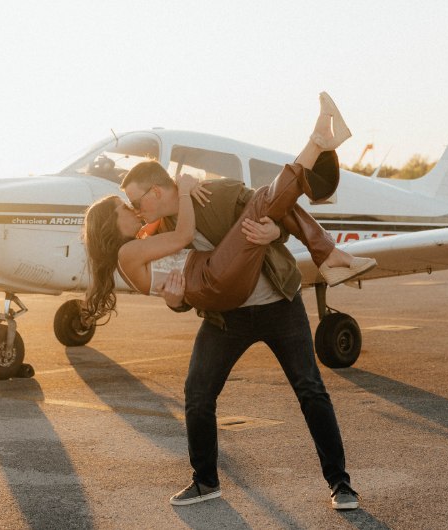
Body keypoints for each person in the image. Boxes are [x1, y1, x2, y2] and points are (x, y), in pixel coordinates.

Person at [83, 92, 372, 511]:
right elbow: (179, 280)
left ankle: (341, 485)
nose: (134, 208)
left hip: (276, 303)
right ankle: (205, 482)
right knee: (198, 395)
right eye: (126, 206)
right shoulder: (159, 228)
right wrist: (174, 302)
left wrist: (276, 234)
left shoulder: (207, 197)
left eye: (136, 200)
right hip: (225, 313)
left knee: (311, 390)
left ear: (158, 191)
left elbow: (277, 208)